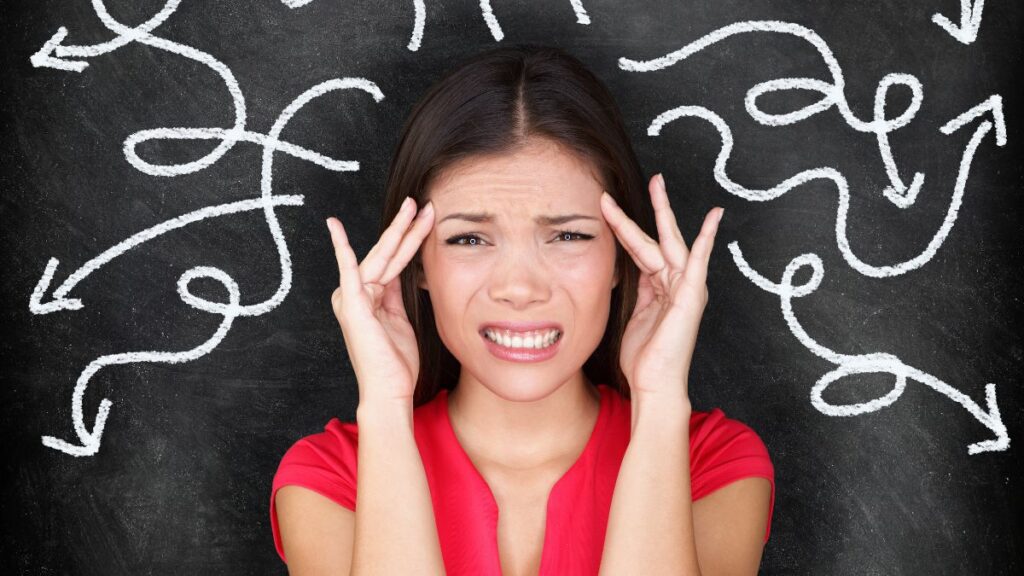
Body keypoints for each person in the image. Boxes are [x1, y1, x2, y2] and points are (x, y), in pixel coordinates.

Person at [270, 44, 774, 576]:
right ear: (415, 264)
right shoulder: (330, 477)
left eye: (568, 235)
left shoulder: (713, 464)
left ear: (623, 260)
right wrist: (385, 408)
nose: (519, 287)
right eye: (468, 240)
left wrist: (658, 401)